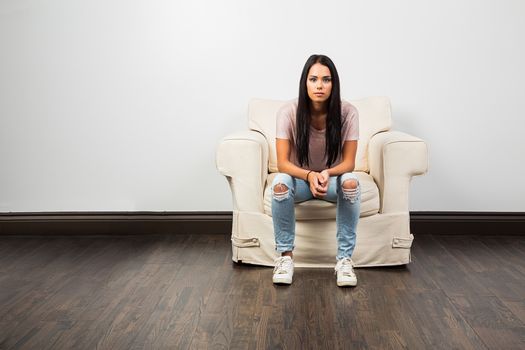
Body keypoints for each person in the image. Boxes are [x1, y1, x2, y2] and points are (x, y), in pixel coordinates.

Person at [271, 54, 361, 287]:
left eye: (326, 80)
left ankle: (344, 260)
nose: (319, 85)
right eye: (313, 79)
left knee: (350, 182)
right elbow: (283, 163)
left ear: (334, 84)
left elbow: (349, 163)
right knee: (280, 182)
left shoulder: (348, 112)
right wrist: (309, 175)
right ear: (305, 83)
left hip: (331, 181)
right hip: (300, 182)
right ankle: (285, 258)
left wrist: (327, 174)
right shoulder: (288, 112)